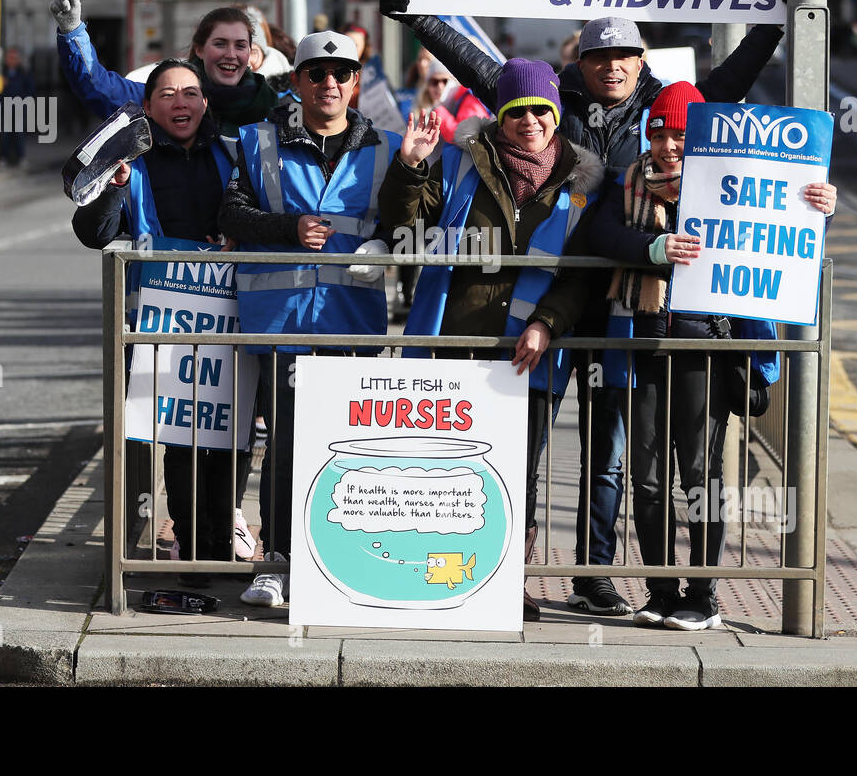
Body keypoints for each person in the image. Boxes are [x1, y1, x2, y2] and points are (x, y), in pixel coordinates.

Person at [380, 0, 785, 616]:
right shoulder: (552, 98)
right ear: (582, 62)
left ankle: (603, 578)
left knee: (614, 454)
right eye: (599, 57)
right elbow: (487, 71)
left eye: (623, 56)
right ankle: (526, 574)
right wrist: (418, 17)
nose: (612, 67)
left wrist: (774, 19)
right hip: (555, 300)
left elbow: (730, 86)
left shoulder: (667, 109)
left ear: (641, 61)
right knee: (538, 443)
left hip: (633, 311)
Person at [590, 81, 836, 630]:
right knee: (648, 477)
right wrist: (652, 248)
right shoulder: (626, 183)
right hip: (646, 343)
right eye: (658, 133)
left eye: (679, 134)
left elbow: (783, 221)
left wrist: (825, 206)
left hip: (706, 349)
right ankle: (659, 591)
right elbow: (600, 235)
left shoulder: (732, 185)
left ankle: (702, 596)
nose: (667, 145)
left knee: (700, 474)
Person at [379, 58, 603, 622]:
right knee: (449, 468)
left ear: (555, 114)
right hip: (454, 347)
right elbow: (407, 227)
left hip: (531, 356)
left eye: (540, 110)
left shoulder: (581, 183)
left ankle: (507, 581)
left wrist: (546, 322)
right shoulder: (459, 163)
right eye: (516, 111)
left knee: (517, 472)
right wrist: (409, 169)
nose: (529, 121)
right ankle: (440, 576)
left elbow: (582, 274)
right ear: (499, 116)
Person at [218, 31, 404, 608]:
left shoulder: (390, 148)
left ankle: (343, 562)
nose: (329, 84)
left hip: (351, 322)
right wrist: (288, 228)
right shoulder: (256, 142)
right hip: (279, 325)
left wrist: (385, 249)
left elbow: (406, 221)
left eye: (341, 74)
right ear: (295, 81)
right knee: (287, 445)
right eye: (316, 74)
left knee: (345, 448)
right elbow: (230, 211)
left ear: (356, 81)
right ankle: (277, 561)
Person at [72, 58, 260, 580]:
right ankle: (194, 549)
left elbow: (254, 214)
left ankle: (220, 541)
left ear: (206, 103)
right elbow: (93, 232)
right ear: (148, 106)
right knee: (180, 436)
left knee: (228, 432)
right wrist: (112, 185)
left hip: (230, 317)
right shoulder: (133, 163)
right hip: (163, 322)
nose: (182, 103)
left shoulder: (232, 153)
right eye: (169, 94)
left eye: (192, 93)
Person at [51, 0, 277, 134]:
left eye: (240, 45)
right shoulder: (163, 101)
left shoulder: (274, 105)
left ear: (250, 53)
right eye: (219, 44)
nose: (231, 54)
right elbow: (100, 88)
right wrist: (72, 31)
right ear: (199, 49)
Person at [0, 46, 34, 168]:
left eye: (14, 58)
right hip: (5, 106)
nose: (12, 60)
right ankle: (3, 157)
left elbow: (30, 89)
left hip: (19, 106)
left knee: (19, 134)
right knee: (4, 134)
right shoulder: (1, 73)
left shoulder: (23, 72)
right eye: (10, 57)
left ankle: (21, 157)